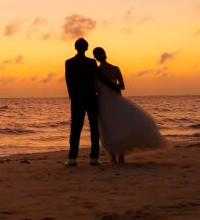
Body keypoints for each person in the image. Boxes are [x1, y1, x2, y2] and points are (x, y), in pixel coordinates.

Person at [92, 46, 168, 163]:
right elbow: (122, 86)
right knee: (121, 125)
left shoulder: (96, 72)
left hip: (104, 101)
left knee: (108, 128)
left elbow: (96, 89)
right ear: (105, 54)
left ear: (95, 57)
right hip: (116, 100)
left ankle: (113, 157)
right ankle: (121, 156)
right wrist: (113, 87)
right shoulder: (115, 68)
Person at [64, 38, 120, 166]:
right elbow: (100, 77)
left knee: (75, 128)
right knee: (94, 128)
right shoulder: (91, 62)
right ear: (87, 48)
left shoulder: (69, 62)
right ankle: (94, 158)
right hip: (91, 97)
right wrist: (114, 86)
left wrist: (72, 96)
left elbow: (68, 81)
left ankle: (72, 158)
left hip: (77, 99)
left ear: (75, 48)